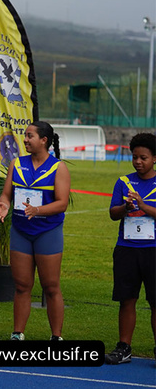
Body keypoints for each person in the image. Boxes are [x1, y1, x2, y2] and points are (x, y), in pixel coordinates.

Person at [0, 121, 69, 341]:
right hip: (21, 232)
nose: (25, 140)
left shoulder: (58, 168)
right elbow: (6, 194)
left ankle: (56, 336)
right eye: (25, 136)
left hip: (48, 232)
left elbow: (62, 203)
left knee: (51, 286)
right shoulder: (16, 164)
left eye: (30, 136)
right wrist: (4, 204)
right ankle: (17, 333)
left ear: (44, 140)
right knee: (22, 285)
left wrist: (38, 210)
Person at [105, 133, 156, 364]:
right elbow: (113, 214)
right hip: (126, 248)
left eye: (143, 157)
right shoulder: (123, 182)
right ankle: (124, 347)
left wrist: (143, 205)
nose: (138, 161)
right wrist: (126, 207)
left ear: (154, 158)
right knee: (127, 299)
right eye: (134, 157)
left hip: (153, 250)